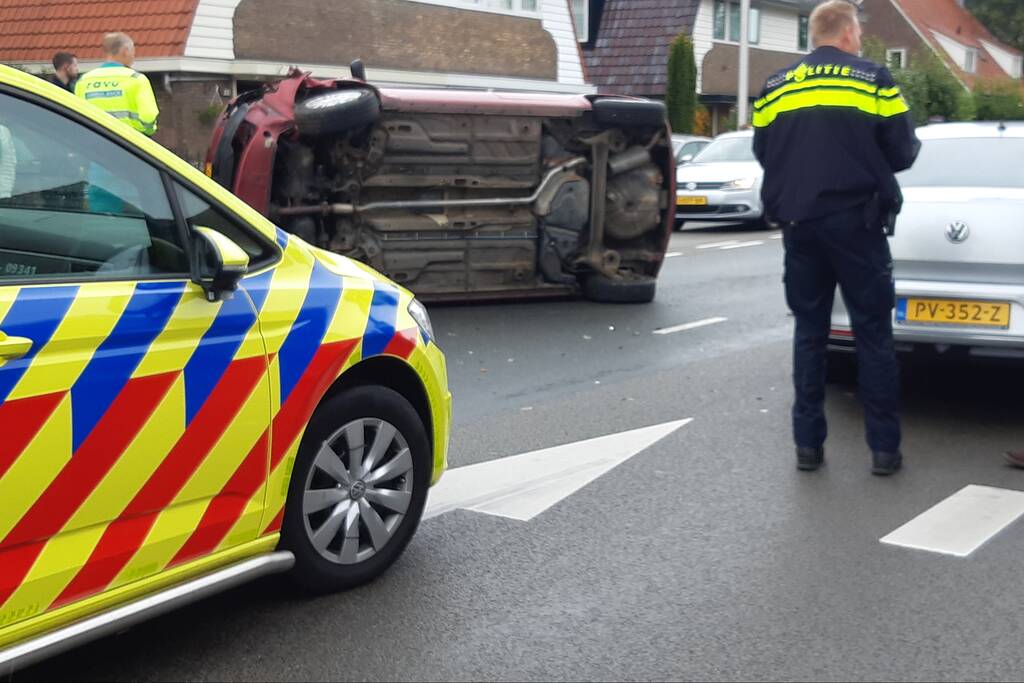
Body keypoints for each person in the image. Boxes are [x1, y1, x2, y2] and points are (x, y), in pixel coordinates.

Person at [752, 0, 920, 476]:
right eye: (859, 32)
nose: (861, 40)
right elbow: (903, 152)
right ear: (846, 33)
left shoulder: (775, 86)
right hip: (858, 225)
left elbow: (764, 150)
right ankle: (884, 451)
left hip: (800, 226)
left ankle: (808, 448)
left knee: (809, 333)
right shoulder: (874, 80)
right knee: (872, 333)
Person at [75, 32, 159, 136]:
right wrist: (148, 131)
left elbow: (78, 115)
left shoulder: (83, 81)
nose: (133, 56)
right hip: (129, 143)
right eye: (133, 51)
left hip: (94, 141)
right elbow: (148, 115)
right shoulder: (136, 79)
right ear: (125, 51)